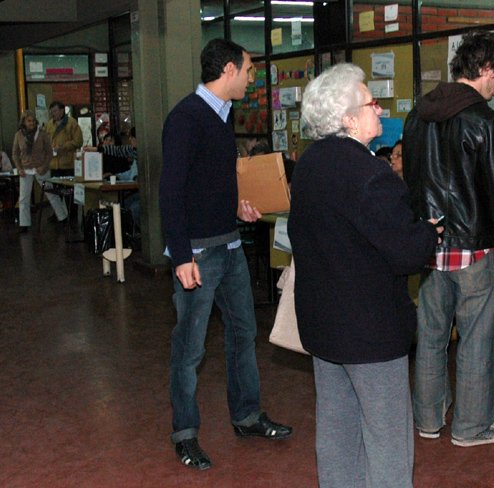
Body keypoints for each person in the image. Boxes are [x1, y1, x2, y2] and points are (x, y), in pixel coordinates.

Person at [289, 63, 439, 488]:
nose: (380, 109)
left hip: (324, 326)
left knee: (336, 430)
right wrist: (427, 233)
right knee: (387, 436)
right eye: (372, 102)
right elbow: (407, 253)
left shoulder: (310, 165)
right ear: (348, 118)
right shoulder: (371, 175)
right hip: (370, 332)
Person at [159, 38, 292, 471]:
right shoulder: (186, 118)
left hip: (229, 245)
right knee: (190, 348)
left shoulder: (221, 116)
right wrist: (181, 256)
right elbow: (171, 192)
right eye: (250, 70)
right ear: (230, 70)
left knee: (242, 335)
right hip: (198, 252)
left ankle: (247, 416)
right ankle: (185, 433)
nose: (253, 79)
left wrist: (237, 205)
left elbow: (210, 183)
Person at [403, 30, 494, 447]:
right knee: (476, 343)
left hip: (428, 247)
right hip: (475, 249)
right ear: (486, 69)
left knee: (432, 338)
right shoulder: (486, 122)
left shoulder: (417, 116)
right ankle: (472, 428)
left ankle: (428, 421)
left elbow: (411, 182)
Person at [11, 110, 69, 233]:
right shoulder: (19, 135)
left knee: (51, 194)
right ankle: (24, 224)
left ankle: (63, 217)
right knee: (23, 198)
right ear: (24, 122)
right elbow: (15, 154)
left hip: (41, 168)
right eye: (29, 121)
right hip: (25, 169)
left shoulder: (42, 134)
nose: (31, 123)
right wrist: (19, 168)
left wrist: (44, 166)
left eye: (33, 120)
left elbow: (49, 152)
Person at [44, 101, 83, 177]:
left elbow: (78, 141)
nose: (52, 114)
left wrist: (63, 147)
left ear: (62, 111)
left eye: (55, 111)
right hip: (53, 164)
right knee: (55, 188)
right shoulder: (49, 125)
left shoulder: (72, 123)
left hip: (68, 164)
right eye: (51, 111)